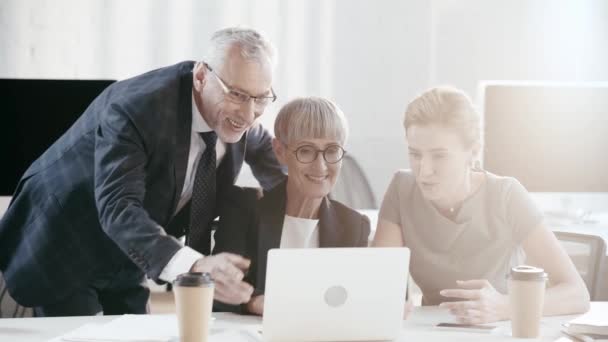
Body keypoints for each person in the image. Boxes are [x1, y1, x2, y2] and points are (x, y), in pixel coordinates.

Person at [0, 27, 287, 316]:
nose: (249, 114)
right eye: (237, 95)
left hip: (129, 252)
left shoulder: (238, 120)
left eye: (261, 98)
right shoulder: (137, 108)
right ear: (201, 77)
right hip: (66, 242)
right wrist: (195, 265)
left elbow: (283, 177)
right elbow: (118, 207)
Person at [373, 86, 590, 324]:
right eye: (415, 154)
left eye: (439, 156)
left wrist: (505, 307)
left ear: (473, 151)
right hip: (433, 331)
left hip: (499, 330)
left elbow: (576, 293)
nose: (424, 171)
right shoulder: (401, 188)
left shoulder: (506, 195)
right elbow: (380, 284)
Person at [213, 97, 370, 315]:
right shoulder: (243, 210)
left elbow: (356, 300)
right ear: (280, 151)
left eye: (332, 150)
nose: (321, 166)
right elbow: (218, 293)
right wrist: (254, 302)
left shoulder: (354, 225)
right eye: (306, 151)